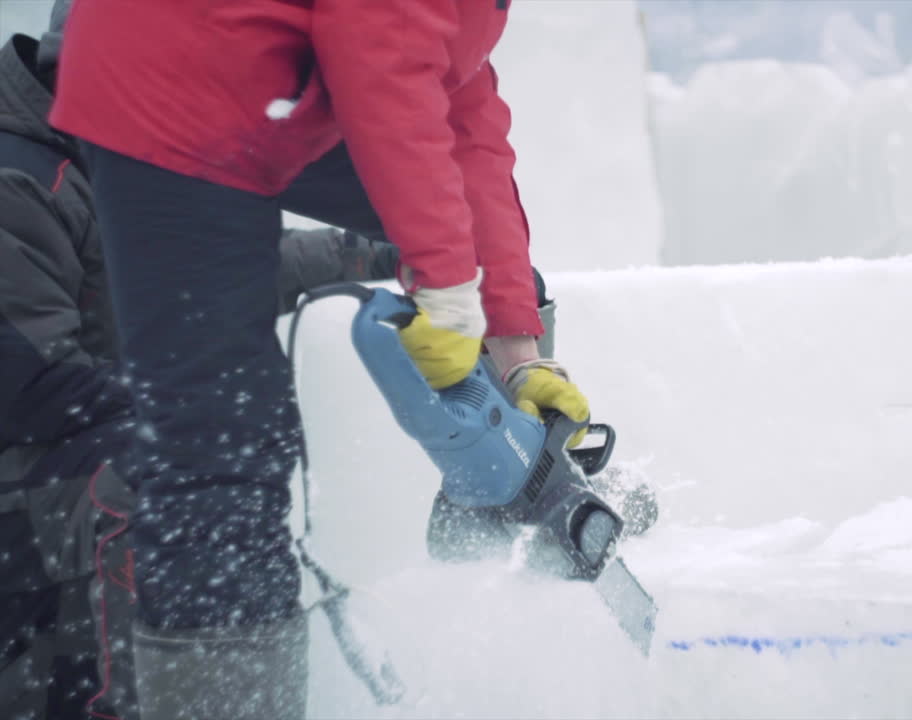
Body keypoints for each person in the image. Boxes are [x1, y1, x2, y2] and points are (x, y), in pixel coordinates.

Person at [49, 0, 592, 717]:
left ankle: (515, 483)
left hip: (288, 76)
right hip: (176, 78)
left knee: (479, 255)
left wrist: (518, 352)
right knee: (222, 443)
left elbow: (461, 112)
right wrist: (449, 288)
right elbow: (382, 49)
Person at [0, 20, 402, 718]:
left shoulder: (107, 154)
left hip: (73, 457)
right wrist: (185, 398)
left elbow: (205, 273)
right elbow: (30, 386)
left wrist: (363, 254)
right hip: (28, 486)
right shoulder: (18, 180)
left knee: (213, 449)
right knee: (181, 470)